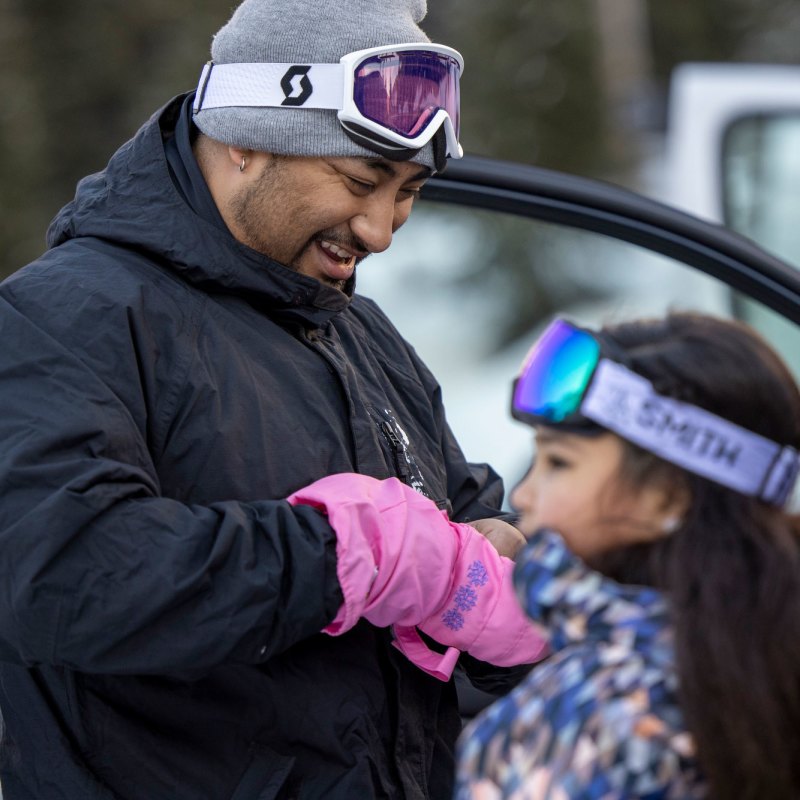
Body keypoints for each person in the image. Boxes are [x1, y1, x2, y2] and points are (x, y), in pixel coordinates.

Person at [0, 1, 548, 798]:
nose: (382, 229)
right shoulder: (64, 318)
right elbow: (59, 576)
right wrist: (339, 555)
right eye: (362, 180)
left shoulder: (360, 333)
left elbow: (461, 532)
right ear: (246, 139)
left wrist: (514, 586)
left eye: (409, 191)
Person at [454, 312, 800, 799]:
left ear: (665, 496)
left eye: (558, 462)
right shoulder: (756, 648)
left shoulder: (595, 721)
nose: (525, 494)